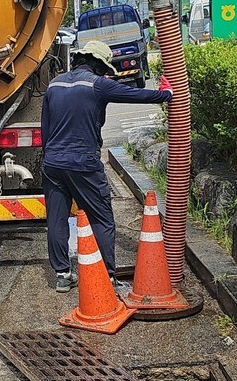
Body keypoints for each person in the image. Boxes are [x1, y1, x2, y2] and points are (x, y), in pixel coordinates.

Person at [40, 40, 173, 292]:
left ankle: (62, 275)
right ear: (98, 65)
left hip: (53, 163)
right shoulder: (97, 84)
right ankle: (106, 276)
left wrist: (50, 159)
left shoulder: (54, 85)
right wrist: (165, 94)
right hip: (84, 163)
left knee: (56, 219)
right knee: (101, 217)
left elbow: (45, 130)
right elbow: (135, 95)